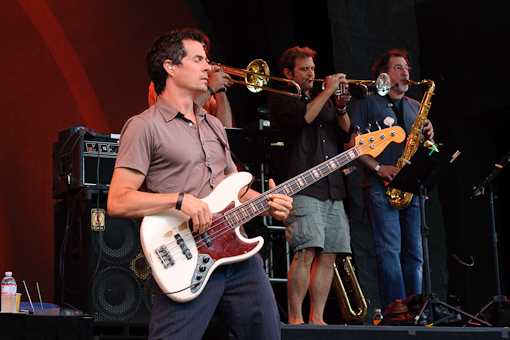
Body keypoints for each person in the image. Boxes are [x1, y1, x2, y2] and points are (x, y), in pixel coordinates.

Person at [107, 28, 293, 339]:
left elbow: (235, 188)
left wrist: (267, 203)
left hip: (239, 257)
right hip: (188, 255)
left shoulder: (215, 125)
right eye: (198, 60)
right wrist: (179, 200)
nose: (208, 67)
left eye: (207, 59)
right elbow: (118, 200)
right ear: (170, 66)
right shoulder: (143, 126)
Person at [269, 46, 353, 325]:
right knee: (306, 251)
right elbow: (302, 119)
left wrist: (340, 106)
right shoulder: (282, 97)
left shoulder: (325, 100)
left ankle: (317, 319)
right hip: (301, 188)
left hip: (332, 187)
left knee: (329, 255)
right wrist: (327, 92)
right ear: (288, 72)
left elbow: (345, 132)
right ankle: (295, 319)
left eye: (313, 69)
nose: (312, 73)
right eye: (305, 69)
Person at [350, 48, 435, 313]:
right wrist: (378, 168)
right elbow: (353, 147)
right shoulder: (367, 103)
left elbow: (426, 150)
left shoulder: (415, 106)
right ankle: (397, 312)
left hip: (411, 187)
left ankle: (417, 310)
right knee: (389, 251)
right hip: (380, 185)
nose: (406, 72)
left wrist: (429, 138)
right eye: (399, 67)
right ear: (384, 75)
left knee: (416, 255)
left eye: (407, 67)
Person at [148, 66, 235, 128]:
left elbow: (225, 126)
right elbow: (179, 119)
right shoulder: (165, 81)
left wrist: (219, 89)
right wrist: (211, 88)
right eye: (198, 59)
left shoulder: (202, 87)